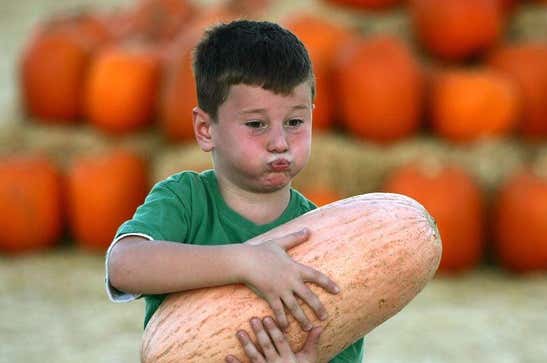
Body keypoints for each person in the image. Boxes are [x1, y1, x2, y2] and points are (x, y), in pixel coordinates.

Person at [105, 20, 364, 362]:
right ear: (205, 129)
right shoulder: (185, 200)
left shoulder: (321, 237)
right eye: (256, 124)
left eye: (295, 122)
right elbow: (124, 266)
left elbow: (342, 332)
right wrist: (244, 261)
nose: (279, 142)